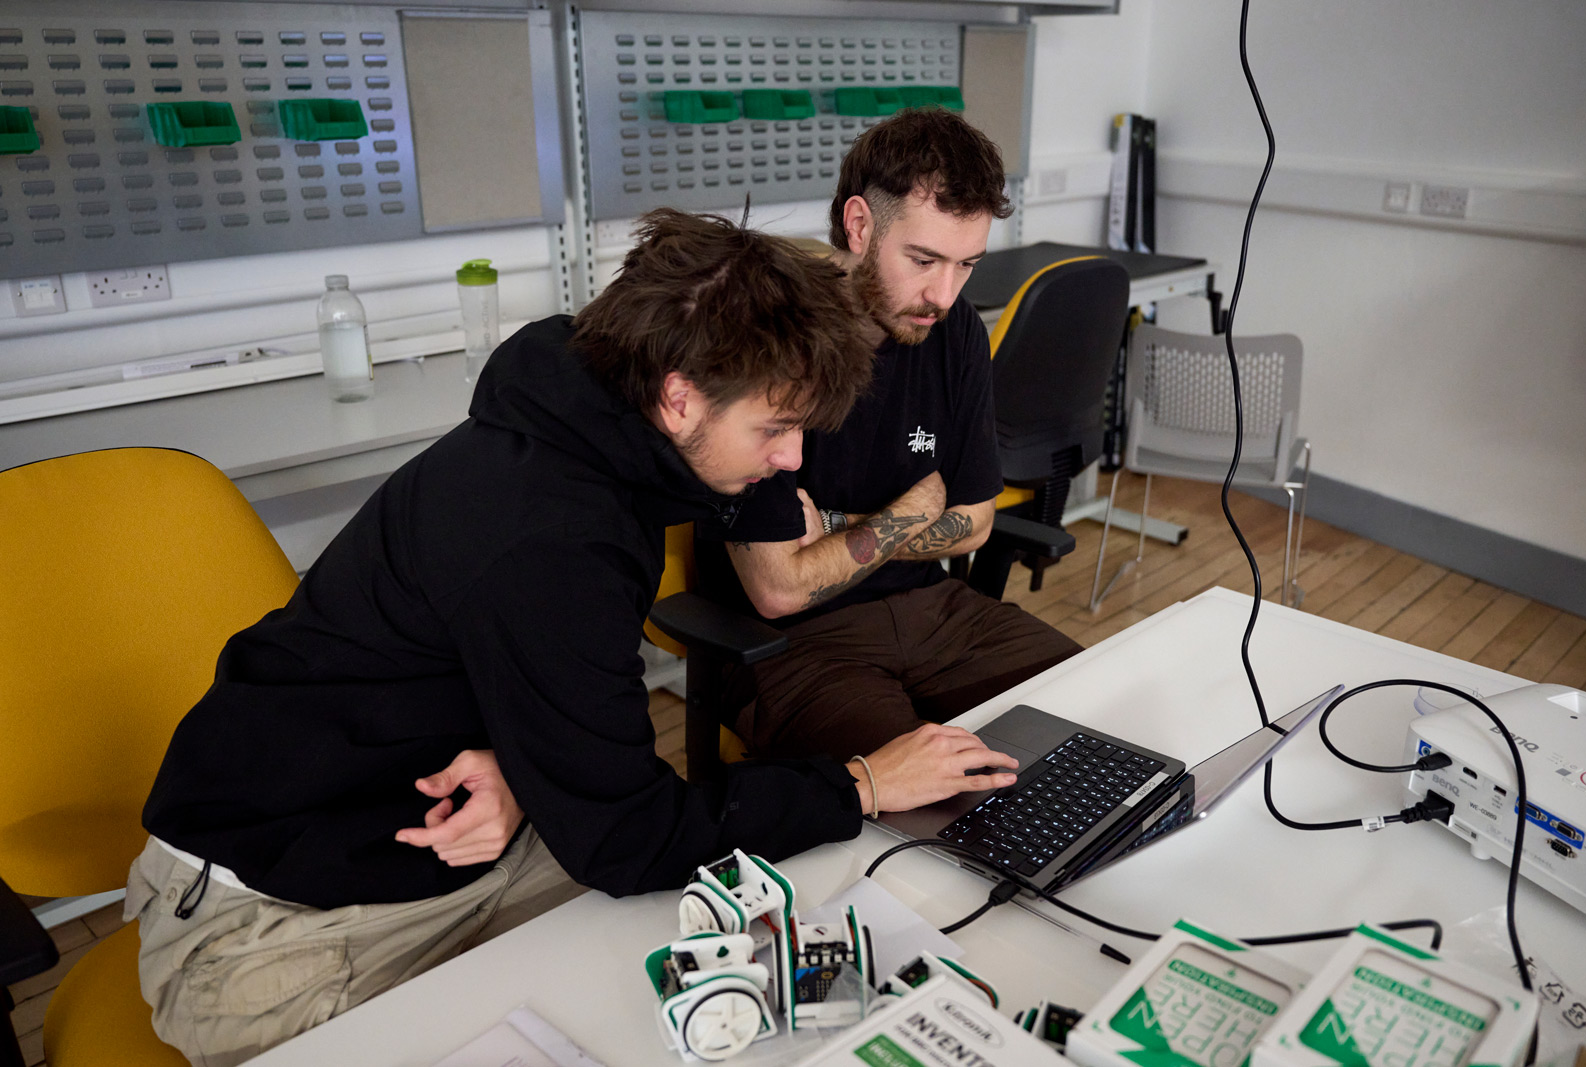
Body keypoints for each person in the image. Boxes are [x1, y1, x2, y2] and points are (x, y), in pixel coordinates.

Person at [128, 209, 1020, 1067]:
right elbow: (627, 837)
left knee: (727, 945)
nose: (791, 459)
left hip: (424, 827)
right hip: (267, 929)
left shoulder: (589, 418)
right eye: (775, 428)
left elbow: (517, 689)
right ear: (678, 397)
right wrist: (863, 780)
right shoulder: (551, 532)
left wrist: (522, 765)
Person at [694, 107, 1085, 762]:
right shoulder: (769, 340)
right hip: (791, 643)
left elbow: (977, 521)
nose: (944, 293)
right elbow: (778, 588)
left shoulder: (955, 331)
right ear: (859, 225)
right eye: (924, 259)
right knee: (924, 794)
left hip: (934, 611)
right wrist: (913, 509)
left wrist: (843, 526)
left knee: (1090, 721)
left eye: (966, 265)